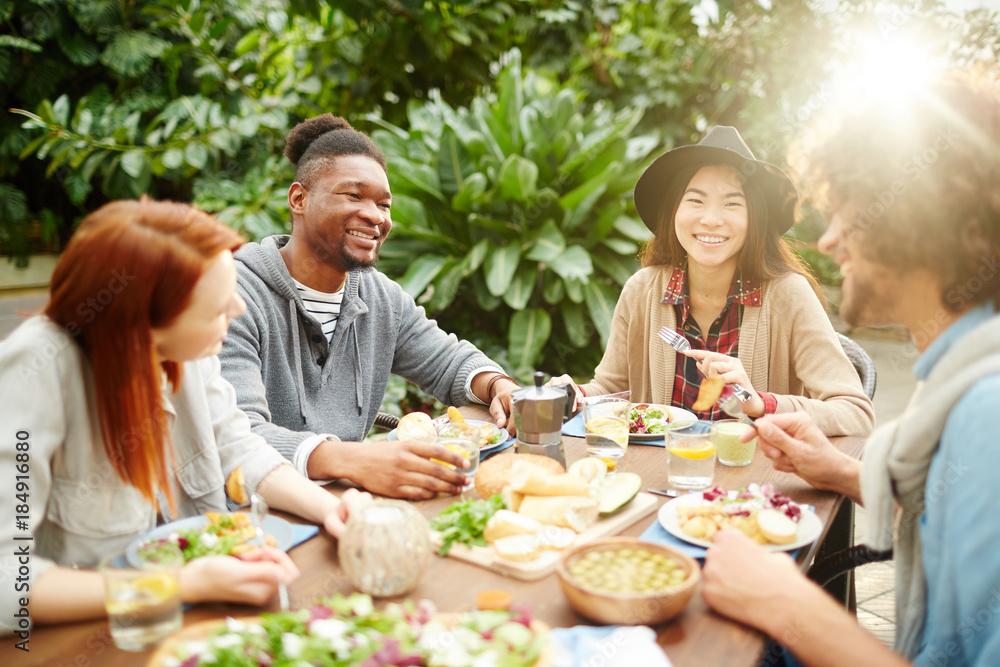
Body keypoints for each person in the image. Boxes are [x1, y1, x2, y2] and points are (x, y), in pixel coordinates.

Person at [702, 69, 1000, 665]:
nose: (832, 241)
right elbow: (951, 519)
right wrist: (837, 470)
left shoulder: (986, 414)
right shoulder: (958, 378)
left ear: (918, 221)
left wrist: (787, 603)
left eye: (847, 215)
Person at [0, 198, 369, 632]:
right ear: (142, 326)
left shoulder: (187, 350)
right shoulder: (34, 374)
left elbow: (236, 446)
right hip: (92, 635)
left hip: (200, 621)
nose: (237, 310)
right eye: (215, 308)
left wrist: (328, 508)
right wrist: (184, 583)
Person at [219, 114, 520, 500]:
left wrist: (498, 385)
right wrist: (357, 460)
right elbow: (236, 434)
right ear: (299, 199)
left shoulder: (379, 297)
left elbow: (448, 362)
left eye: (384, 204)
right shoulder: (232, 295)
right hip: (257, 516)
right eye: (354, 195)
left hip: (352, 504)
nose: (376, 216)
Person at [555, 126, 873, 436]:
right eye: (695, 200)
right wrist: (573, 394)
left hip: (753, 484)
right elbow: (611, 389)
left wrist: (759, 403)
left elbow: (854, 414)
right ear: (673, 211)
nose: (711, 218)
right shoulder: (642, 291)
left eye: (732, 203)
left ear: (755, 219)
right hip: (661, 478)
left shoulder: (788, 295)